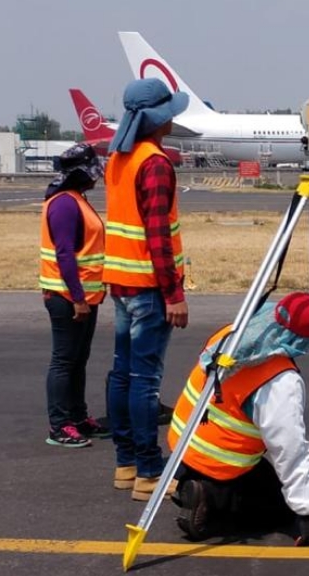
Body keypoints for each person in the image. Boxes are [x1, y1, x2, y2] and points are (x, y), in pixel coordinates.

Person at [168, 292, 309, 547]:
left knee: (266, 479)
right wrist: (307, 513)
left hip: (185, 442)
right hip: (218, 458)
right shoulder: (279, 380)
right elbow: (289, 448)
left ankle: (189, 481)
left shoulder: (232, 334)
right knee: (278, 510)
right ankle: (210, 497)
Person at [103, 78, 190, 501]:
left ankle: (127, 464)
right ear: (159, 117)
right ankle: (150, 472)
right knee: (145, 381)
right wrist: (174, 293)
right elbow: (157, 234)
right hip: (147, 287)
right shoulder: (154, 163)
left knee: (122, 374)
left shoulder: (119, 158)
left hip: (119, 282)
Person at [40, 143, 110, 448]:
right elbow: (65, 253)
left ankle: (78, 417)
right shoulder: (65, 204)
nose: (96, 178)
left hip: (84, 297)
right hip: (68, 297)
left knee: (78, 360)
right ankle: (59, 425)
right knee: (64, 361)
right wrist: (78, 298)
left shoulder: (76, 200)